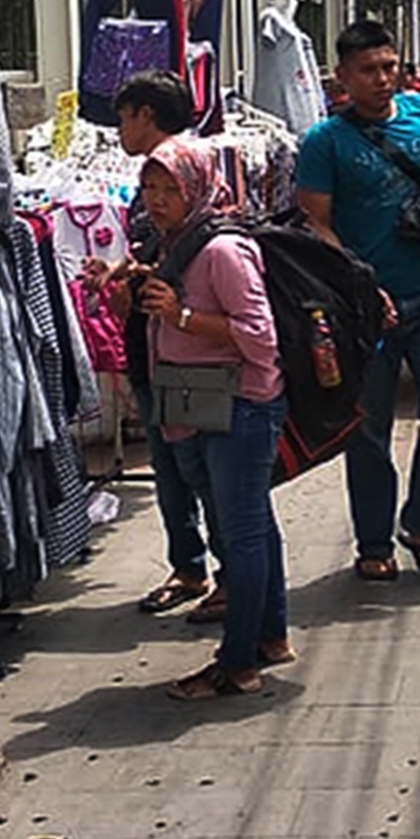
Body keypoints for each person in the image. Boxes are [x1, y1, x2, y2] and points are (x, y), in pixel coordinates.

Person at [295, 21, 420, 586]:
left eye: (389, 66)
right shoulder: (324, 141)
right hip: (364, 306)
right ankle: (373, 540)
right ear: (342, 77)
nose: (382, 79)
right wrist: (358, 283)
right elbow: (315, 223)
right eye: (368, 70)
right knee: (367, 428)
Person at [130, 139, 291, 700]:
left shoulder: (222, 250)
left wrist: (185, 316)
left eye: (170, 188)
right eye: (150, 187)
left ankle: (236, 664)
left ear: (195, 187)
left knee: (240, 532)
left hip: (241, 405)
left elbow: (260, 338)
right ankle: (270, 636)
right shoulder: (177, 242)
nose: (157, 199)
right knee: (251, 525)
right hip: (204, 402)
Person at [86, 72, 229, 625]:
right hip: (158, 339)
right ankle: (196, 567)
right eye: (152, 193)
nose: (156, 197)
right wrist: (121, 273)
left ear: (145, 115)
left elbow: (190, 251)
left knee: (194, 465)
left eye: (124, 117)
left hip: (183, 344)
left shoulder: (175, 169)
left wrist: (137, 284)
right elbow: (157, 251)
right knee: (174, 463)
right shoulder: (187, 164)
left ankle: (219, 572)